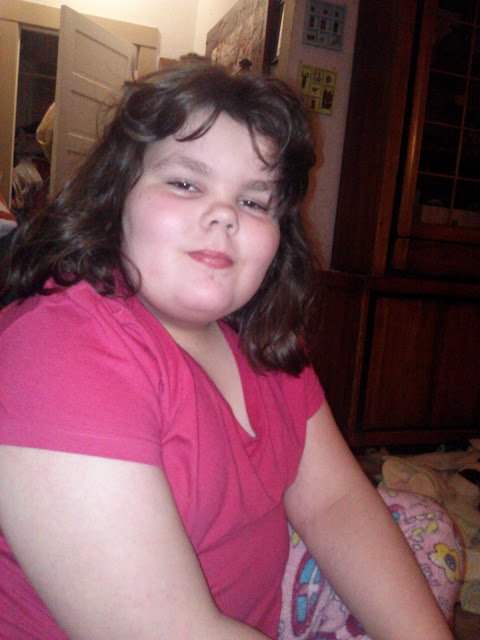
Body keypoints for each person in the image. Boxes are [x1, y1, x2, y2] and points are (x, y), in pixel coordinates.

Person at [0, 63, 458, 640]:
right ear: (116, 198)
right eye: (185, 183)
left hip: (251, 611)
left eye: (254, 201)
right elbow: (166, 630)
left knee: (419, 527)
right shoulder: (58, 350)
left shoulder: (262, 339)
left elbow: (334, 502)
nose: (225, 215)